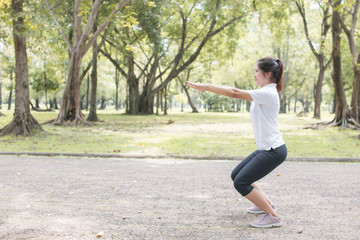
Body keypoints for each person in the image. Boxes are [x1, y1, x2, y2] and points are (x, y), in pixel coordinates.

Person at [186, 57, 287, 228]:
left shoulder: (268, 93)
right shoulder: (265, 92)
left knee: (241, 182)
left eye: (257, 71)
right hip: (267, 148)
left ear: (268, 73)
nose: (254, 75)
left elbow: (234, 92)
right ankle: (265, 204)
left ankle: (273, 216)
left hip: (273, 150)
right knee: (237, 175)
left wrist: (207, 87)